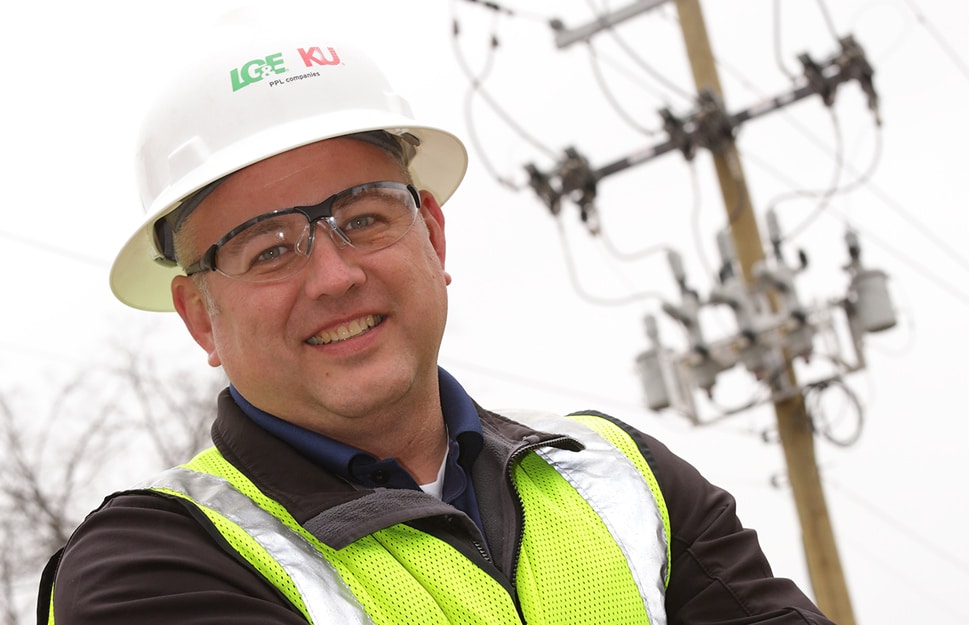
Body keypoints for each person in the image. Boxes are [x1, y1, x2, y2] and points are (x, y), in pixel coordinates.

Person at [39, 13, 836, 625]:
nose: (335, 275)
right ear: (200, 316)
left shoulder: (621, 475)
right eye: (269, 249)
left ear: (434, 234)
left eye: (364, 218)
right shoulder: (150, 564)